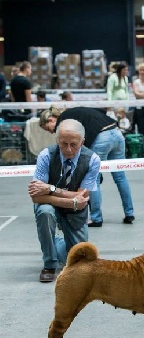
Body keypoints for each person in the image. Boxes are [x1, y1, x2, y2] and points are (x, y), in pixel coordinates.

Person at [28, 119, 100, 282]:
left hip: (74, 211)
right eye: (63, 144)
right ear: (57, 140)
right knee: (44, 212)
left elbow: (82, 197)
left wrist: (51, 189)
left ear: (82, 141)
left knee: (78, 259)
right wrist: (71, 201)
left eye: (73, 144)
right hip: (58, 206)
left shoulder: (93, 160)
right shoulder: (46, 155)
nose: (68, 149)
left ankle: (55, 242)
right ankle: (49, 264)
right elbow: (36, 196)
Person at [39, 106, 135, 227]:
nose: (52, 132)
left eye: (49, 129)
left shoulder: (62, 122)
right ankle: (129, 213)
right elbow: (102, 112)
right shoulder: (75, 112)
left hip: (101, 138)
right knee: (120, 177)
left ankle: (96, 218)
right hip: (117, 133)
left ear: (51, 120)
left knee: (94, 180)